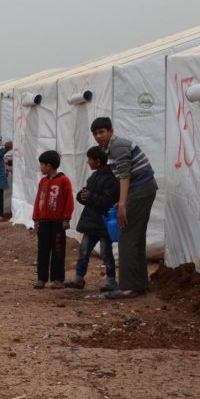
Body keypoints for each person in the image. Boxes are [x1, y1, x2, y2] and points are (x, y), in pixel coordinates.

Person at [91, 116, 157, 298]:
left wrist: (122, 203)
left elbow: (125, 176)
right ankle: (139, 283)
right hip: (143, 189)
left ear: (111, 131)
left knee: (127, 236)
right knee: (136, 238)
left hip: (141, 189)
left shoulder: (118, 146)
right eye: (95, 133)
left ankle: (128, 287)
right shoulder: (110, 148)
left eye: (102, 132)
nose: (98, 136)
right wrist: (122, 200)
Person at [65, 146, 119, 291]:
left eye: (90, 160)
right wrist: (81, 196)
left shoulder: (111, 180)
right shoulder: (94, 177)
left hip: (103, 223)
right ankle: (79, 278)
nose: (88, 162)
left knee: (106, 253)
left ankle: (111, 280)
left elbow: (107, 201)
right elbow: (86, 194)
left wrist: (89, 197)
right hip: (91, 222)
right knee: (83, 252)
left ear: (98, 161)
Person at [31, 150, 74, 289]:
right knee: (43, 250)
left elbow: (69, 201)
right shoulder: (42, 182)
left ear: (48, 166)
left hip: (57, 222)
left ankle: (58, 279)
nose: (40, 167)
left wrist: (66, 218)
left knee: (58, 250)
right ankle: (41, 278)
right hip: (44, 222)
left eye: (42, 165)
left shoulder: (63, 180)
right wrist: (36, 218)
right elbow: (39, 200)